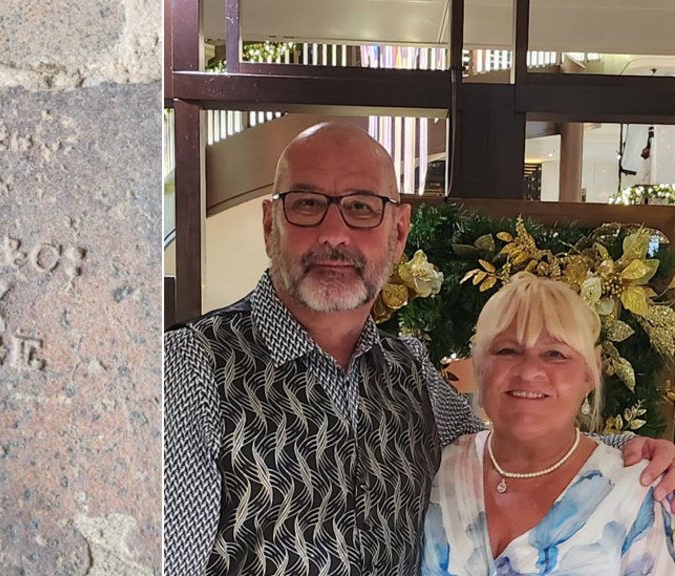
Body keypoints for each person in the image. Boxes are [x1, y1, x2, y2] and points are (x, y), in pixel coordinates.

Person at [164, 122, 675, 575]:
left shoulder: (408, 373)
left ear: (399, 230)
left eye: (362, 207)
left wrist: (640, 457)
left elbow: (515, 442)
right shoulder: (191, 369)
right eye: (307, 204)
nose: (335, 233)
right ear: (270, 222)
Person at [422, 273, 675, 575]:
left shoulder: (639, 492)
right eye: (507, 350)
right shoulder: (434, 466)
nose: (529, 371)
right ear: (479, 367)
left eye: (555, 354)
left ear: (590, 373)